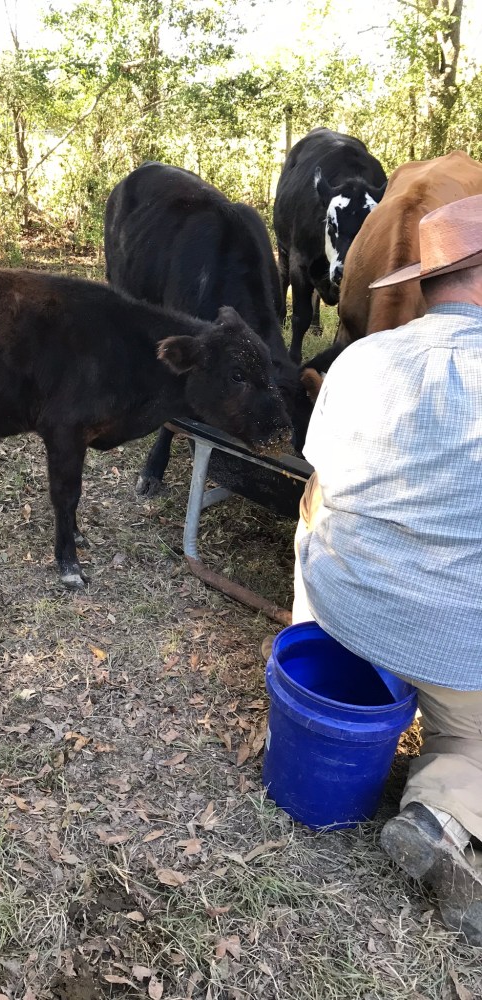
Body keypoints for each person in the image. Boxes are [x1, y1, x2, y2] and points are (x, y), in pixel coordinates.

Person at [290, 193, 482, 945]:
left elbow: (318, 480)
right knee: (470, 738)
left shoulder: (363, 357)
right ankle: (439, 812)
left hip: (338, 601)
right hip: (447, 640)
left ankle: (318, 662)